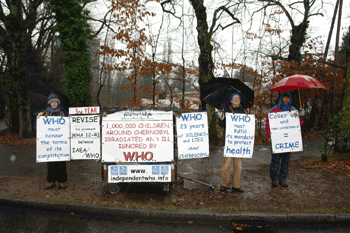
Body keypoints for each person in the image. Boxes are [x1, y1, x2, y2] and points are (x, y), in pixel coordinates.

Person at [265, 91, 305, 188]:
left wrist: (302, 116)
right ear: (281, 98)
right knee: (275, 160)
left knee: (286, 161)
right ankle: (274, 180)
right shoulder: (274, 109)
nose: (286, 99)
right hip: (277, 140)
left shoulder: (293, 110)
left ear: (290, 99)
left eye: (288, 98)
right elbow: (268, 123)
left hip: (288, 140)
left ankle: (282, 179)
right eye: (284, 97)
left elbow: (298, 124)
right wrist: (268, 136)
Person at [218, 92, 249, 193]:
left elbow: (248, 126)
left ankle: (236, 185)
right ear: (231, 101)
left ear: (240, 101)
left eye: (238, 98)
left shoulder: (245, 111)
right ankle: (224, 184)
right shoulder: (226, 110)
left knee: (238, 165)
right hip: (228, 142)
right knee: (226, 164)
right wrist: (221, 118)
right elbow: (222, 125)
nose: (236, 100)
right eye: (234, 98)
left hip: (240, 143)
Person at [38, 93, 68, 189]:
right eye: (52, 102)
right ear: (49, 103)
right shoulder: (44, 113)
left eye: (56, 102)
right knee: (50, 163)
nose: (54, 104)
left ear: (58, 103)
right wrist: (38, 118)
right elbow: (39, 128)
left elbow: (68, 126)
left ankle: (62, 181)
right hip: (49, 144)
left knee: (62, 163)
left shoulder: (63, 113)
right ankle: (51, 181)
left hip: (61, 143)